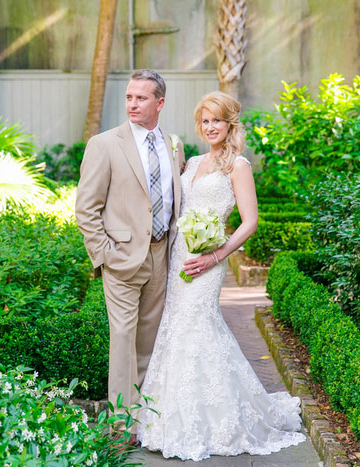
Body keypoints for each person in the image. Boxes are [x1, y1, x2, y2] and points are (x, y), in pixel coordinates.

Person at [137, 91, 306, 461]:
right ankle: (168, 419)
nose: (210, 127)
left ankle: (216, 422)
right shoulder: (192, 160)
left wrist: (216, 255)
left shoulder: (238, 166)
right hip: (180, 256)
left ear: (230, 124)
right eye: (204, 120)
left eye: (216, 120)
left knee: (197, 325)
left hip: (209, 260)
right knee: (175, 326)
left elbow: (250, 222)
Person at [75, 70, 186, 441]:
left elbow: (174, 199)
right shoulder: (104, 144)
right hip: (121, 258)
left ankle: (146, 420)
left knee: (149, 341)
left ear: (160, 103)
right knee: (122, 338)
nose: (132, 104)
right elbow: (86, 208)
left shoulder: (174, 144)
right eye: (129, 97)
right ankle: (122, 426)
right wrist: (104, 254)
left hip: (161, 256)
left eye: (141, 98)